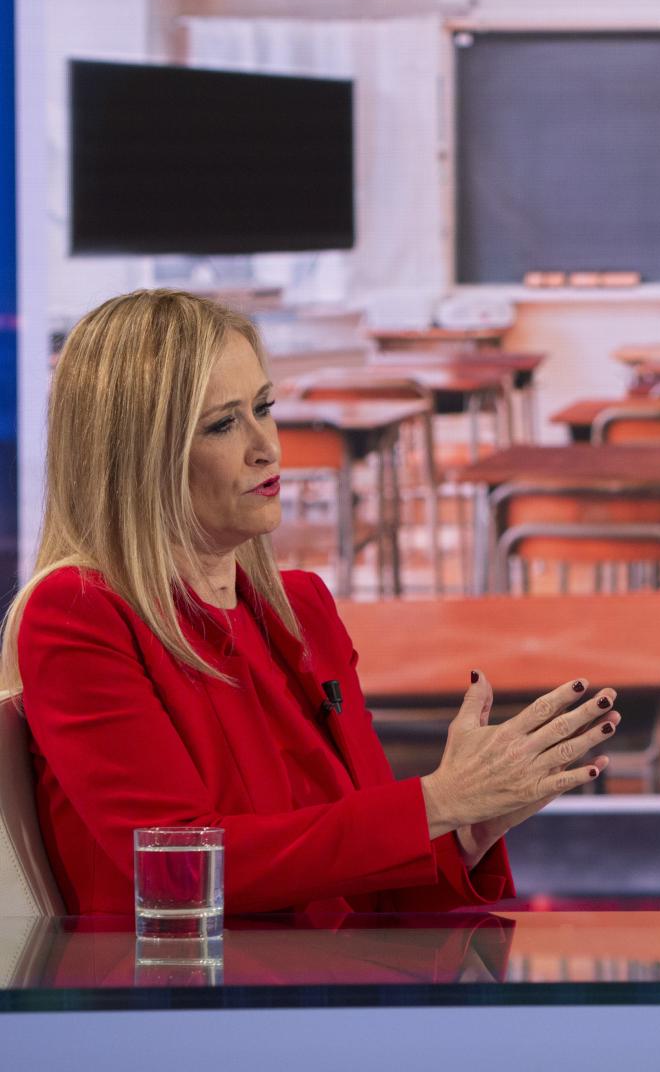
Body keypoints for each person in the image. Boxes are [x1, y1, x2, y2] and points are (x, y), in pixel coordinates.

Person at [1, 289, 618, 918]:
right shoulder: (76, 611)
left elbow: (364, 879)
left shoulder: (301, 608)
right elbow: (177, 870)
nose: (266, 446)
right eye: (222, 423)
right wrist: (437, 803)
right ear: (135, 457)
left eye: (263, 408)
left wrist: (467, 832)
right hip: (181, 1002)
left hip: (329, 991)